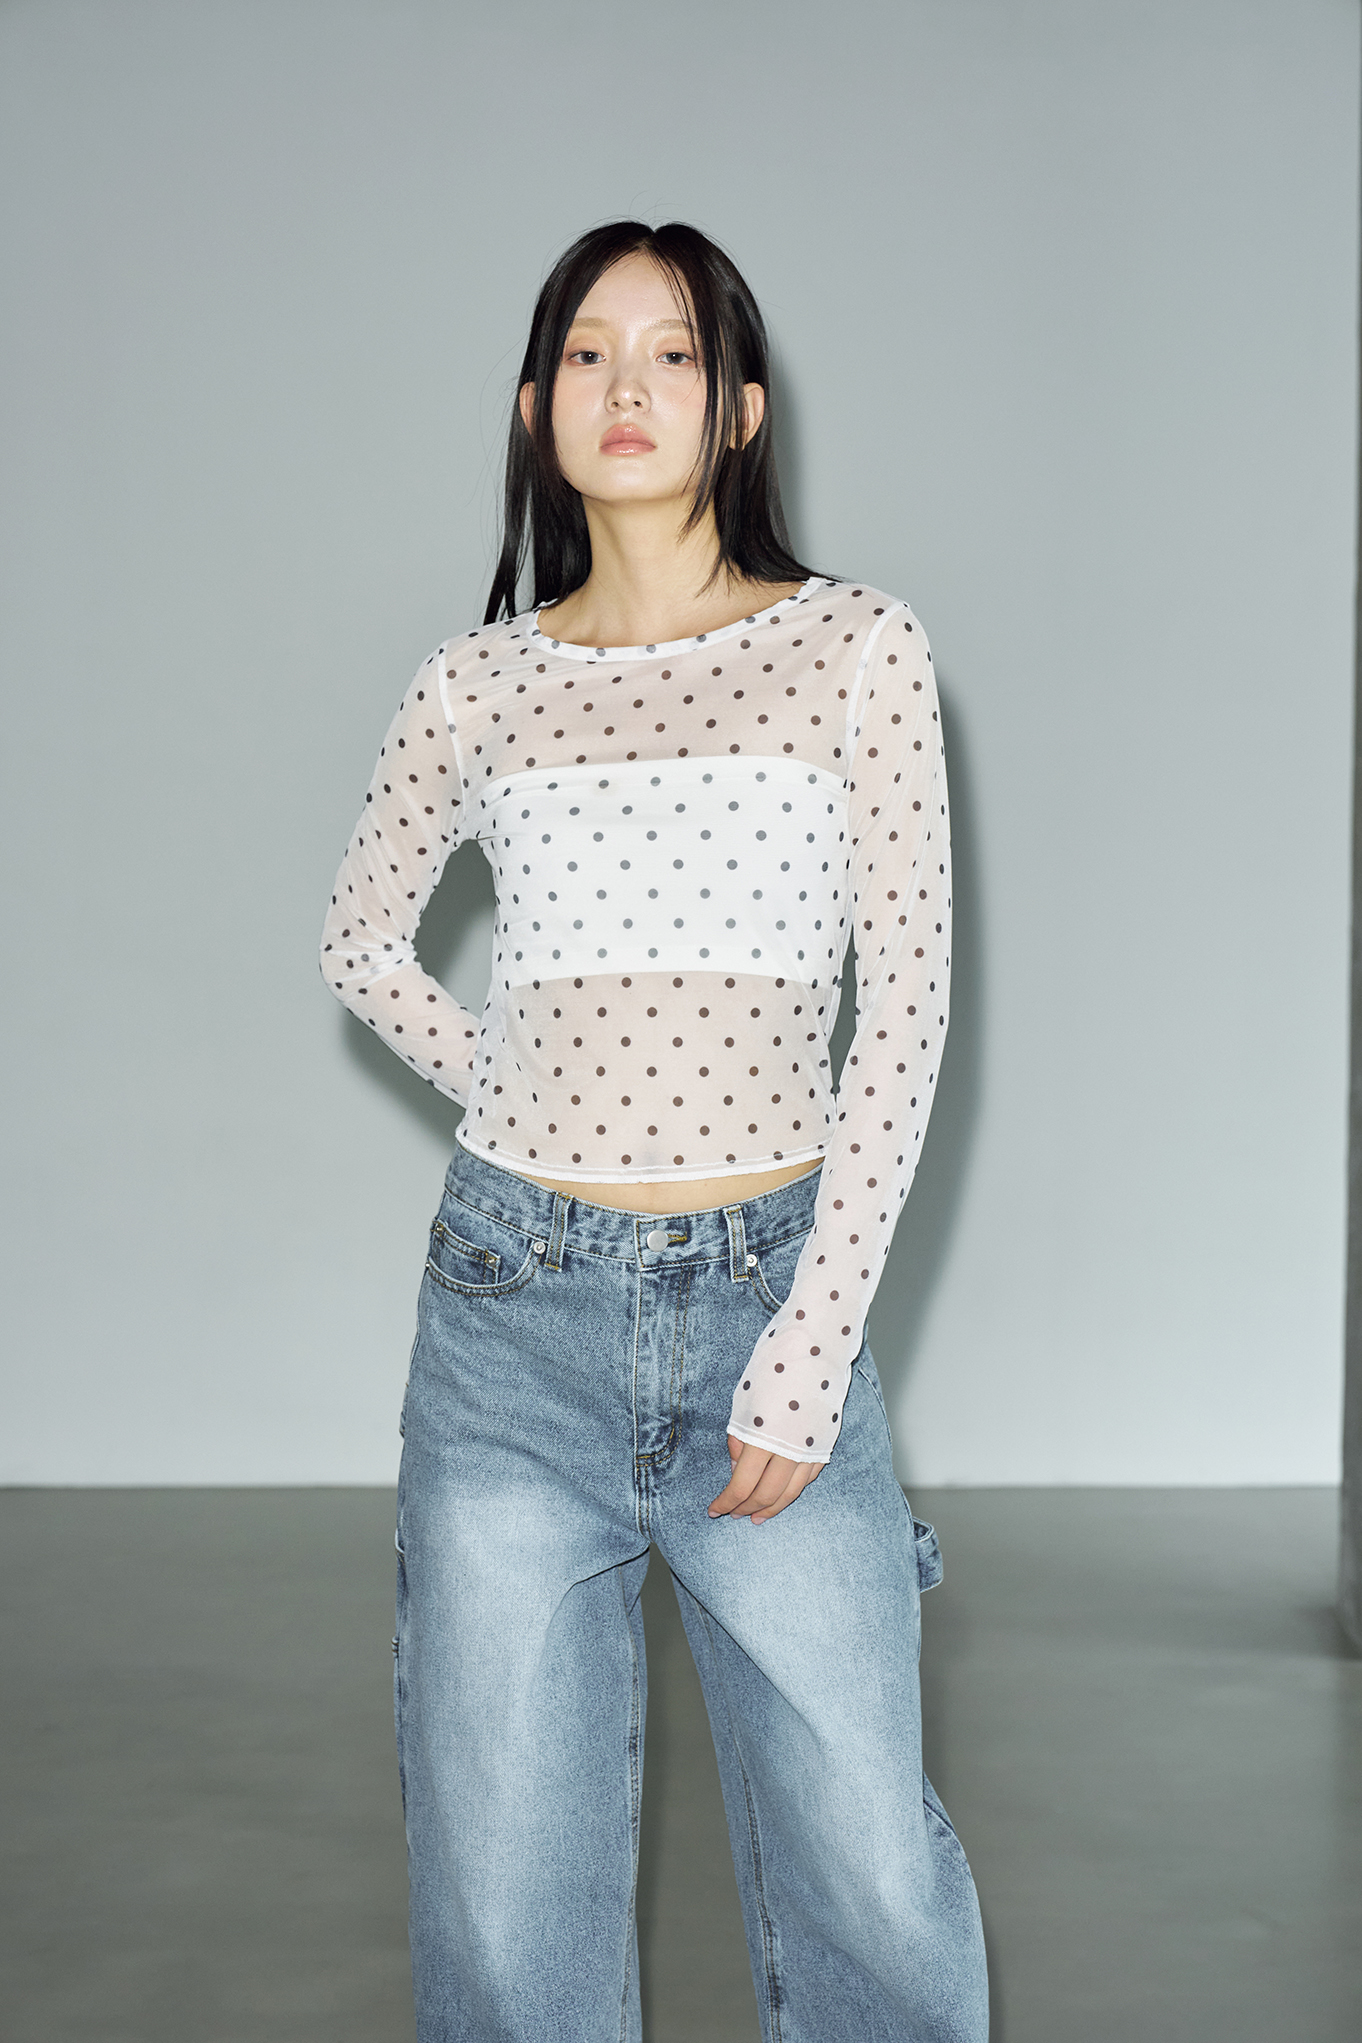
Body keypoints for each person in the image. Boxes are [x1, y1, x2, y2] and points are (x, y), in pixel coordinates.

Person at [320, 219, 988, 2043]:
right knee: (500, 1890)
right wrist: (522, 1090)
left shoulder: (854, 649)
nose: (627, 385)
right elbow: (360, 941)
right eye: (588, 353)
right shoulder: (476, 684)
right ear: (535, 407)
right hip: (508, 1318)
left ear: (739, 409)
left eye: (674, 352)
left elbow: (904, 1017)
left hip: (771, 1298)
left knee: (869, 1871)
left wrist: (812, 1346)